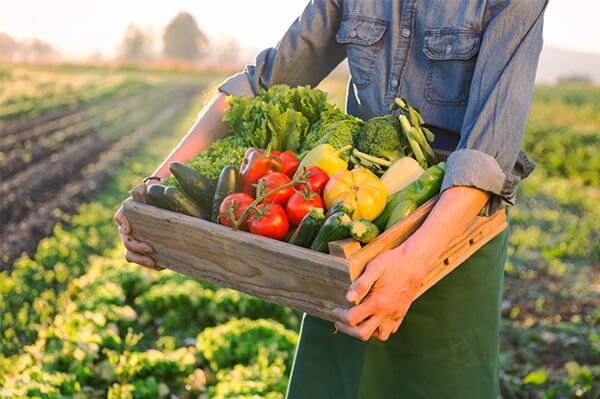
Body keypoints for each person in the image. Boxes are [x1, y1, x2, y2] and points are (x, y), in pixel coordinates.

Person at [114, 0, 548, 397]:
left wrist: (413, 265)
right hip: (352, 238)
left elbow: (488, 151)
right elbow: (264, 82)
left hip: (452, 234)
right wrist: (155, 186)